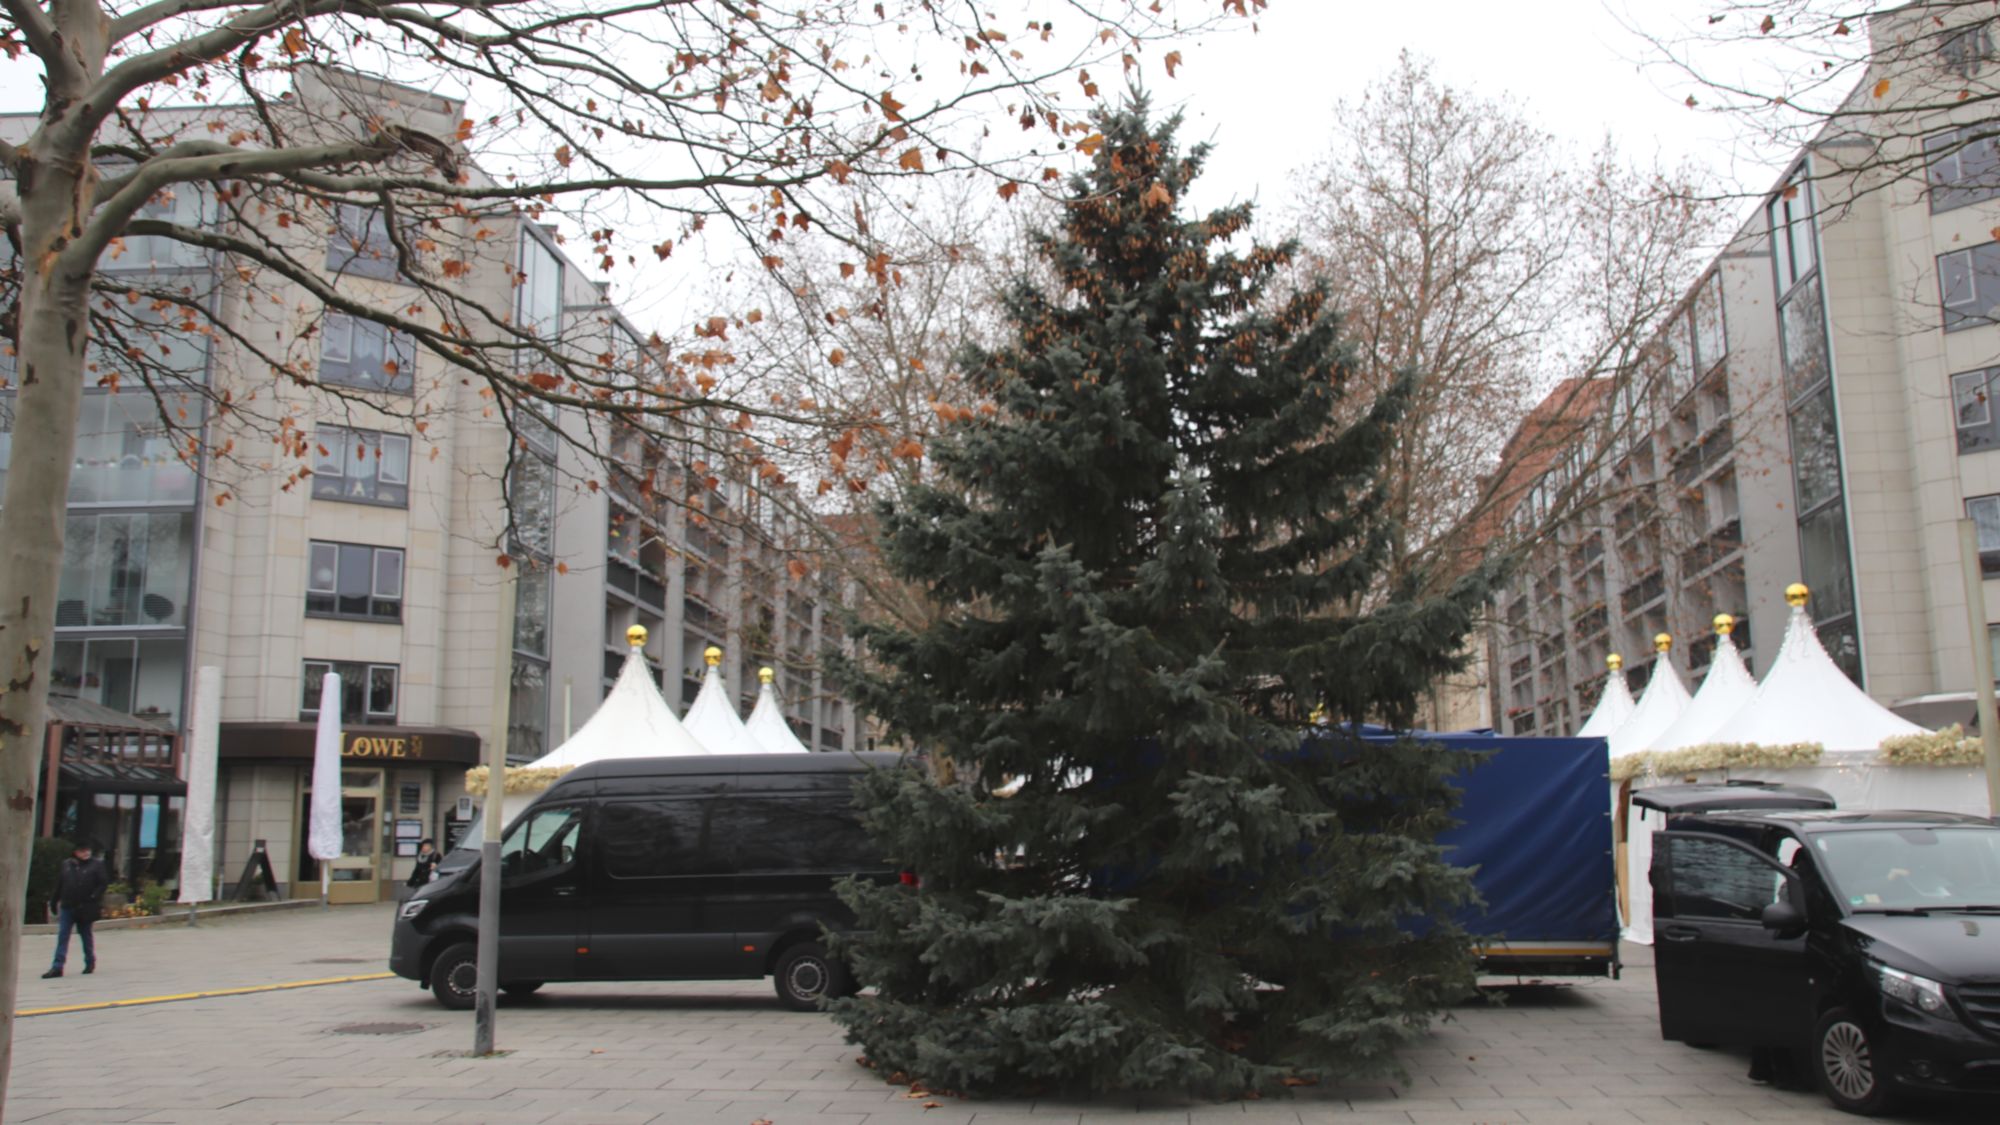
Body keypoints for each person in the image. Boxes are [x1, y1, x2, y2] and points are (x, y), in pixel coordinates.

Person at [44, 840, 107, 978]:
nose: (85, 853)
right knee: (63, 935)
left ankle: (90, 961)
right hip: (68, 906)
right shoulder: (67, 865)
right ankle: (57, 966)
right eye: (82, 851)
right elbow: (60, 884)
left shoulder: (96, 865)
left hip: (85, 907)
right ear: (76, 852)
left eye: (87, 850)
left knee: (86, 935)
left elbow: (102, 884)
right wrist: (54, 902)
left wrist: (94, 896)